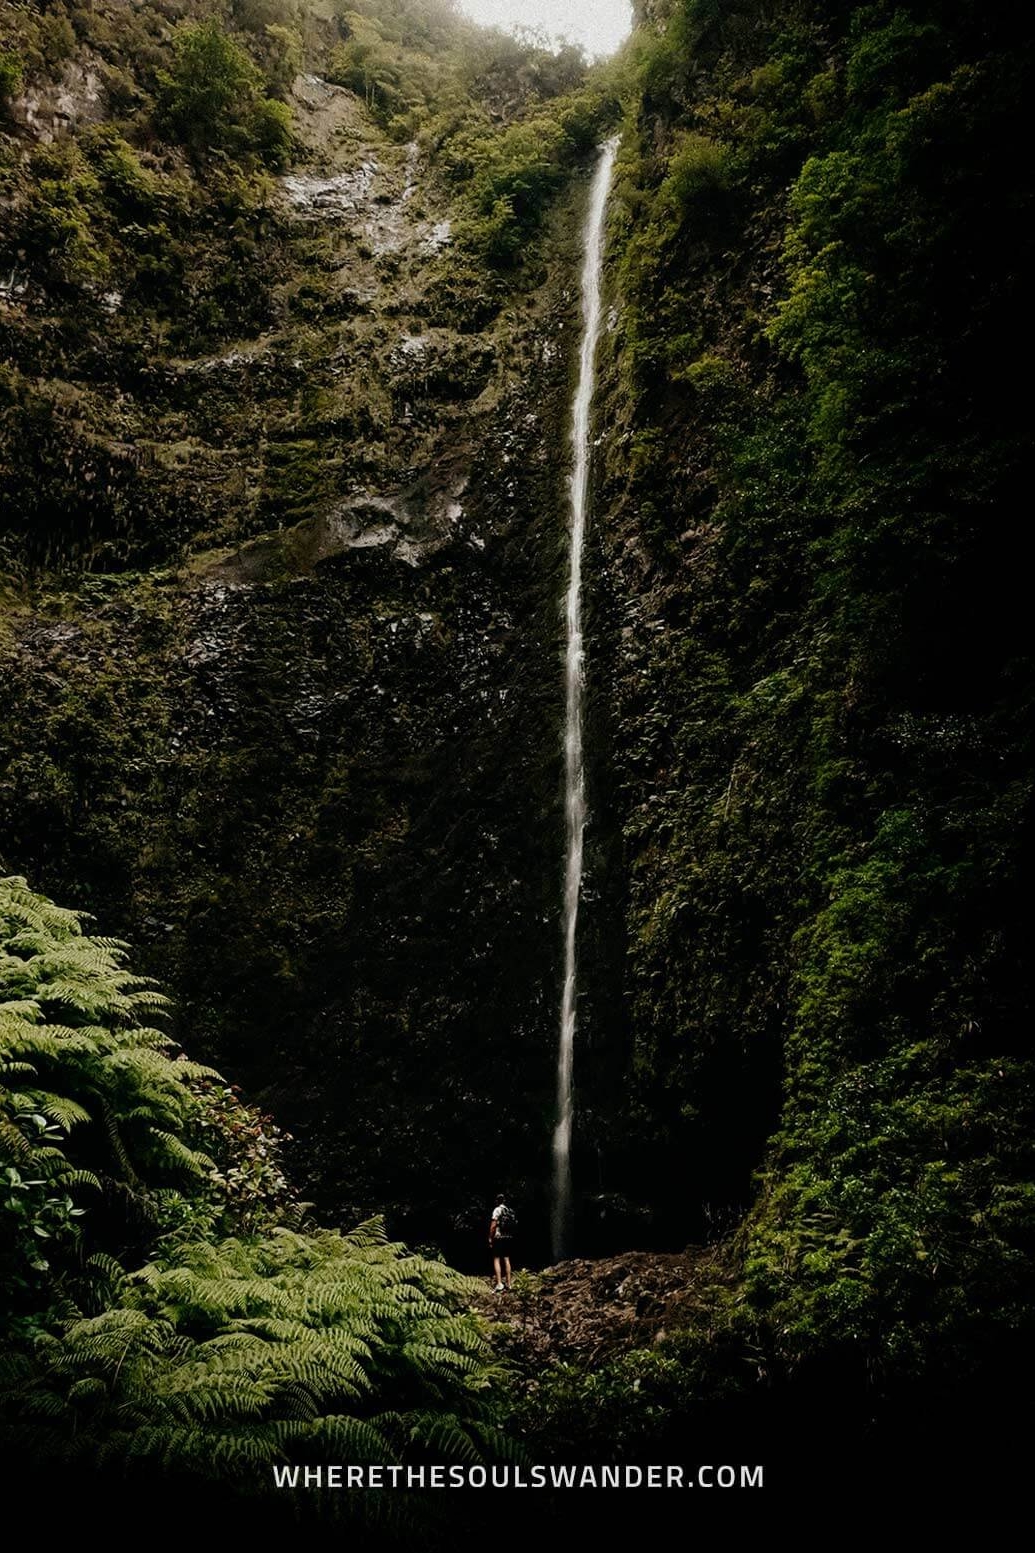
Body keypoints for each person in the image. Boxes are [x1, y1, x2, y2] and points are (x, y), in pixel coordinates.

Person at [489, 1195, 515, 1292]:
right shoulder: (509, 1211)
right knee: (507, 1259)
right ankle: (509, 1284)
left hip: (498, 1237)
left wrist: (490, 1238)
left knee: (496, 1259)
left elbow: (493, 1226)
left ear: (497, 1201)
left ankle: (499, 1283)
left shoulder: (497, 1210)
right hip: (508, 1237)